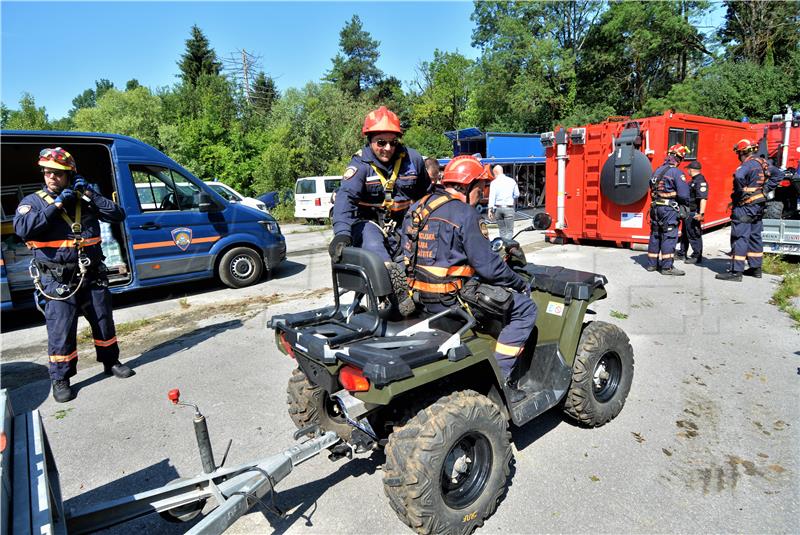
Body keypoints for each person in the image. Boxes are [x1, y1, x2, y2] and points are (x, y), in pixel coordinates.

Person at [401, 155, 535, 403]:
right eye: (481, 188)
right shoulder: (465, 214)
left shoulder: (417, 208)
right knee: (525, 308)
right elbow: (489, 268)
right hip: (452, 302)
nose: (482, 195)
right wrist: (519, 282)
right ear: (467, 185)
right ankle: (503, 379)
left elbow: (407, 253)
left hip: (420, 298)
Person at [13, 147, 132, 403]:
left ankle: (111, 362)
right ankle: (61, 379)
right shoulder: (33, 202)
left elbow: (117, 214)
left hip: (92, 275)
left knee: (103, 322)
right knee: (61, 330)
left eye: (57, 173)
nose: (51, 177)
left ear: (70, 175)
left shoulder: (84, 198)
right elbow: (24, 229)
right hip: (58, 280)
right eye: (47, 173)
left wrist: (89, 193)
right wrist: (57, 205)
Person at [329, 106, 430, 314]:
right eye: (380, 142)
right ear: (370, 140)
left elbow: (428, 195)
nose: (387, 148)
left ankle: (408, 293)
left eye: (392, 142)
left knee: (412, 251)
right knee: (372, 240)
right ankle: (390, 281)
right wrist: (341, 234)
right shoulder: (360, 164)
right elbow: (345, 198)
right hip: (368, 223)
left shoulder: (413, 160)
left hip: (403, 223)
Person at [716, 139, 781, 282]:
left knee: (740, 237)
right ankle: (755, 268)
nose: (738, 156)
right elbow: (779, 175)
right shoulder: (764, 163)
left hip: (745, 207)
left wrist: (740, 192)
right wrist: (765, 189)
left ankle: (736, 272)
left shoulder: (746, 166)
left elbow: (739, 176)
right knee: (754, 236)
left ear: (742, 152)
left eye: (738, 153)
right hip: (758, 206)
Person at [646, 144, 692, 276]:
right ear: (679, 158)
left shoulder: (657, 171)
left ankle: (652, 264)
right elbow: (684, 195)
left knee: (655, 234)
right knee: (669, 235)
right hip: (668, 210)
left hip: (655, 208)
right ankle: (667, 267)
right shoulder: (676, 172)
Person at [677, 160, 708, 264]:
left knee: (694, 234)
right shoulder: (693, 180)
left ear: (691, 170)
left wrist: (701, 214)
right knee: (685, 234)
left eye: (688, 170)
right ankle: (682, 253)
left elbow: (703, 198)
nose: (687, 172)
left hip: (694, 212)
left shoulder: (700, 181)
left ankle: (697, 255)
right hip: (688, 212)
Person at [488, 165, 519, 241]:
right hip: (508, 208)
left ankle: (503, 244)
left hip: (498, 209)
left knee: (502, 230)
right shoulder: (512, 181)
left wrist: (490, 209)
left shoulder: (494, 183)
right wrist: (510, 197)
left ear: (495, 173)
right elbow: (517, 194)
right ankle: (507, 245)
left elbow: (492, 197)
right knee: (509, 231)